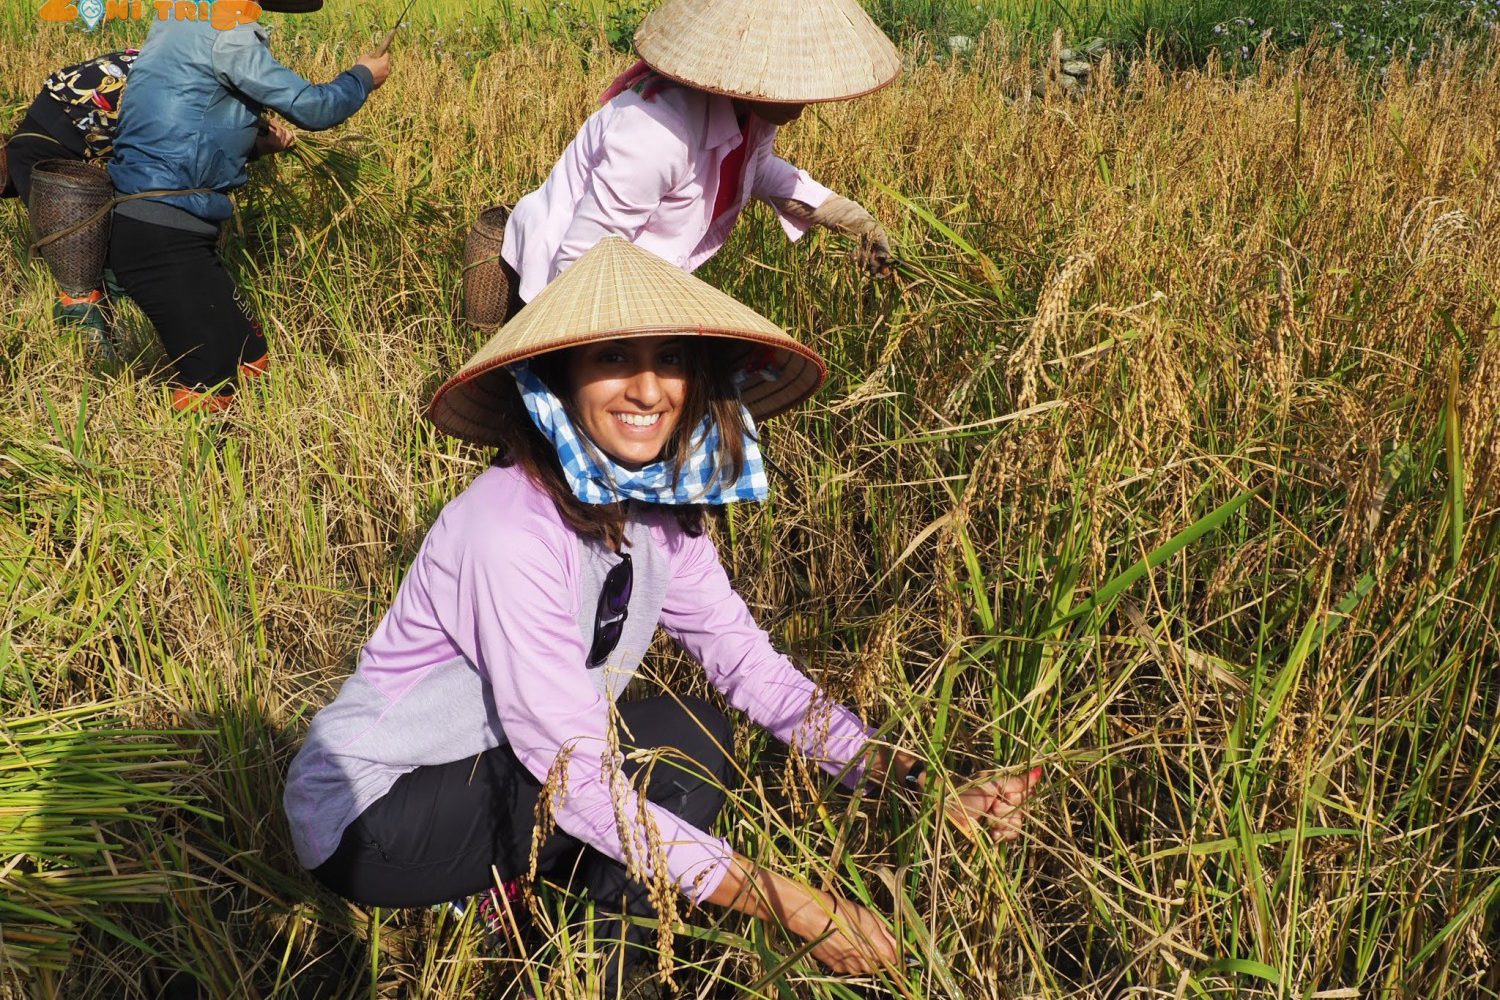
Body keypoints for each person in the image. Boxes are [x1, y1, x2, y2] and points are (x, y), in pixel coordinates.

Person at [284, 237, 1040, 995]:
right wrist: (798, 908)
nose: (648, 390)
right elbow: (579, 783)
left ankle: (548, 920)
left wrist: (913, 781)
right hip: (373, 813)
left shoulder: (653, 517)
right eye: (614, 356)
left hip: (502, 769)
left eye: (671, 359)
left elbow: (751, 669)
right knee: (636, 788)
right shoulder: (507, 530)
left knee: (692, 736)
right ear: (561, 378)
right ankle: (593, 977)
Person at [491, 0, 903, 321]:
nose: (805, 99)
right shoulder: (658, 133)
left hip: (634, 292)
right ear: (750, 71)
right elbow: (580, 265)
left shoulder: (753, 110)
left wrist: (853, 220)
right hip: (558, 294)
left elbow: (757, 172)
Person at [105, 0, 390, 412]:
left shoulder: (177, 24)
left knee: (249, 351)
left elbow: (182, 125)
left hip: (163, 222)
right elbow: (313, 107)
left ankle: (236, 452)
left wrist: (256, 144)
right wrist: (363, 77)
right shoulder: (227, 33)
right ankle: (206, 470)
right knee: (212, 373)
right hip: (162, 230)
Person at [2, 50, 138, 339]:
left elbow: (74, 241)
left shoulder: (27, 160)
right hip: (137, 75)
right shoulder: (37, 131)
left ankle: (102, 326)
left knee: (76, 258)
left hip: (118, 92)